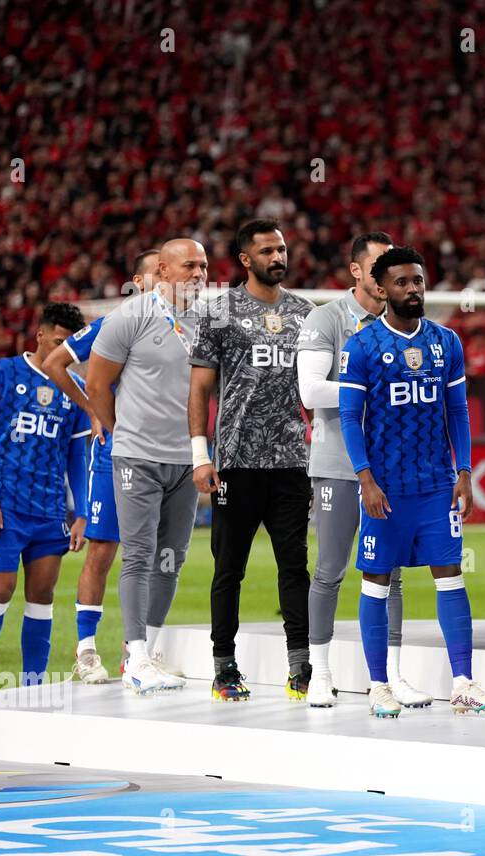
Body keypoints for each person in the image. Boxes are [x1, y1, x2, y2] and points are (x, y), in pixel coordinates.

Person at [339, 246, 485, 717]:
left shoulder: (445, 341)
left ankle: (463, 682)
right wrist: (364, 478)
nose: (413, 290)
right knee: (377, 581)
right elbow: (350, 417)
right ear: (381, 289)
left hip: (435, 486)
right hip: (385, 487)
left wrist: (464, 471)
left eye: (419, 281)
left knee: (450, 577)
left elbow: (457, 412)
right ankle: (379, 684)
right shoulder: (362, 347)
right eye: (403, 283)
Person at [188, 219, 314, 702]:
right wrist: (201, 455)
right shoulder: (218, 312)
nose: (278, 257)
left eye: (281, 248)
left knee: (294, 566)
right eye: (267, 251)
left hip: (291, 462)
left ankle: (301, 666)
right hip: (235, 463)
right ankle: (224, 666)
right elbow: (200, 388)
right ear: (246, 259)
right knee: (229, 568)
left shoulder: (306, 313)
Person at [296, 232, 413, 708]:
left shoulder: (402, 322)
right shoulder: (327, 317)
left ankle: (389, 677)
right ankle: (319, 673)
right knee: (329, 570)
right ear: (359, 272)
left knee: (393, 573)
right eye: (380, 263)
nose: (390, 272)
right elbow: (311, 391)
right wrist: (372, 388)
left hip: (391, 466)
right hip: (339, 464)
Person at [87, 238, 207, 695]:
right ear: (162, 268)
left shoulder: (204, 321)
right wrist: (122, 433)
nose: (198, 274)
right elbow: (97, 384)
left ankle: (146, 654)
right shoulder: (129, 317)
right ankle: (136, 658)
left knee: (170, 560)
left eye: (204, 266)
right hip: (138, 455)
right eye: (190, 266)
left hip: (185, 459)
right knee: (137, 555)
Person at [41, 249, 161, 684]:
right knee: (104, 550)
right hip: (115, 452)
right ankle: (87, 651)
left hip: (164, 455)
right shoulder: (115, 323)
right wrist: (93, 410)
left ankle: (142, 653)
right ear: (138, 280)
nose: (163, 283)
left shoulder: (182, 326)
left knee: (155, 556)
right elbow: (56, 364)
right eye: (155, 274)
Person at [0, 303, 90, 694]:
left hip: (50, 511)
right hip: (3, 508)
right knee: (0, 589)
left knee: (42, 595)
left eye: (71, 346)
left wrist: (82, 512)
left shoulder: (75, 389)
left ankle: (32, 686)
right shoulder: (3, 373)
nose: (63, 352)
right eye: (58, 342)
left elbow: (77, 456)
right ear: (40, 335)